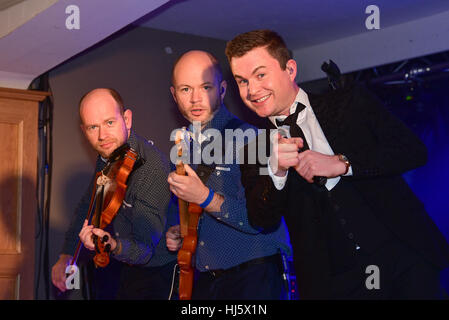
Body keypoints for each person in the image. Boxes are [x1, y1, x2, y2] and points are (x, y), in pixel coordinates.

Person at [225, 29, 449, 299]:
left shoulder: (347, 102)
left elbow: (412, 151)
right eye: (242, 81)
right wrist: (276, 171)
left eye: (260, 75)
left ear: (290, 69)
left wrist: (343, 163)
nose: (252, 90)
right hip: (336, 284)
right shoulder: (255, 151)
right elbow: (262, 220)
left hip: (405, 256)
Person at [165, 50, 292, 300]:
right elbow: (192, 214)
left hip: (255, 276)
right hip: (208, 280)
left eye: (205, 87)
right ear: (174, 95)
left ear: (222, 90)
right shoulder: (182, 146)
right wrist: (179, 231)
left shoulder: (253, 140)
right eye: (185, 89)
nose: (195, 99)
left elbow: (260, 221)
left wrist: (204, 196)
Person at [51, 88, 178, 299]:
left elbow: (144, 250)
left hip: (159, 272)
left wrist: (111, 244)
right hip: (126, 264)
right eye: (93, 127)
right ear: (84, 130)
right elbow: (90, 204)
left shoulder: (150, 169)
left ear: (127, 119)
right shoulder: (109, 153)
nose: (102, 136)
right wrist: (67, 254)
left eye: (110, 122)